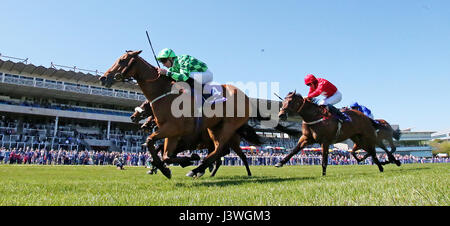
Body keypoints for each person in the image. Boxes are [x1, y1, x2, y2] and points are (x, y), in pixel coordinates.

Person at [155, 48, 225, 103]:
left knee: (187, 77)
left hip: (206, 74)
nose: (163, 64)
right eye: (161, 62)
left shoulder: (183, 59)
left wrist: (167, 73)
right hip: (196, 76)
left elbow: (184, 77)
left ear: (170, 58)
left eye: (164, 61)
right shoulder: (172, 68)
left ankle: (213, 96)